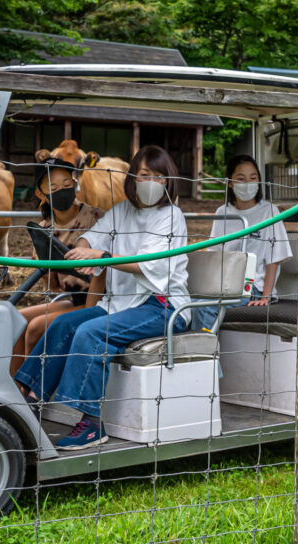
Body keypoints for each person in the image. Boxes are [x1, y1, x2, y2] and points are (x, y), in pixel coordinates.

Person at [14, 146, 190, 449]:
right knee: (63, 325)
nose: (150, 182)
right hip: (121, 303)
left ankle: (92, 425)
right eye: (144, 174)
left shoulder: (171, 216)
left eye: (158, 177)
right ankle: (30, 401)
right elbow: (93, 235)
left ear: (168, 181)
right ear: (132, 177)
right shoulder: (122, 210)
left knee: (91, 332)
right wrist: (82, 245)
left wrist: (100, 255)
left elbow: (145, 264)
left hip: (161, 306)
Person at [9, 156, 104, 375]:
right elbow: (51, 283)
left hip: (101, 298)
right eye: (53, 187)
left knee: (35, 327)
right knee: (16, 320)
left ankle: (31, 391)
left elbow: (107, 271)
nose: (61, 190)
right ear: (40, 194)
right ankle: (13, 386)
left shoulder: (97, 218)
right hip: (72, 298)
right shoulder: (44, 229)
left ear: (75, 184)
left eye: (67, 184)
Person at [192, 154, 293, 331]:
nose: (247, 183)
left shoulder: (269, 211)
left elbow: (274, 258)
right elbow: (214, 255)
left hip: (251, 286)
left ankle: (203, 354)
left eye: (253, 178)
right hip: (223, 284)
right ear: (230, 183)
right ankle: (189, 351)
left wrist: (265, 296)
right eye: (241, 178)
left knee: (204, 308)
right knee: (187, 303)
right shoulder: (222, 211)